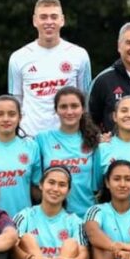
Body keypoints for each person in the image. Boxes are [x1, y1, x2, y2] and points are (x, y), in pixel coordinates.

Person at [7, 0, 92, 137]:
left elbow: (86, 101)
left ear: (62, 20)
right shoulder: (18, 58)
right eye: (43, 17)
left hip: (67, 137)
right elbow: (16, 103)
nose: (49, 22)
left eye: (54, 17)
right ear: (35, 21)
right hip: (30, 137)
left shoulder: (79, 55)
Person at [12, 165, 89, 259]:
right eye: (51, 182)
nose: (55, 189)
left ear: (68, 191)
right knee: (26, 239)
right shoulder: (24, 216)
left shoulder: (75, 221)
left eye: (62, 185)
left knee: (72, 244)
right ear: (41, 185)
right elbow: (11, 249)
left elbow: (84, 255)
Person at [36, 86, 100, 217]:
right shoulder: (42, 140)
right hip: (52, 217)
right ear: (56, 110)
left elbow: (98, 186)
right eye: (63, 107)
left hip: (86, 215)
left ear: (83, 109)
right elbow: (36, 182)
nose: (69, 111)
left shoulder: (95, 140)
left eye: (74, 106)